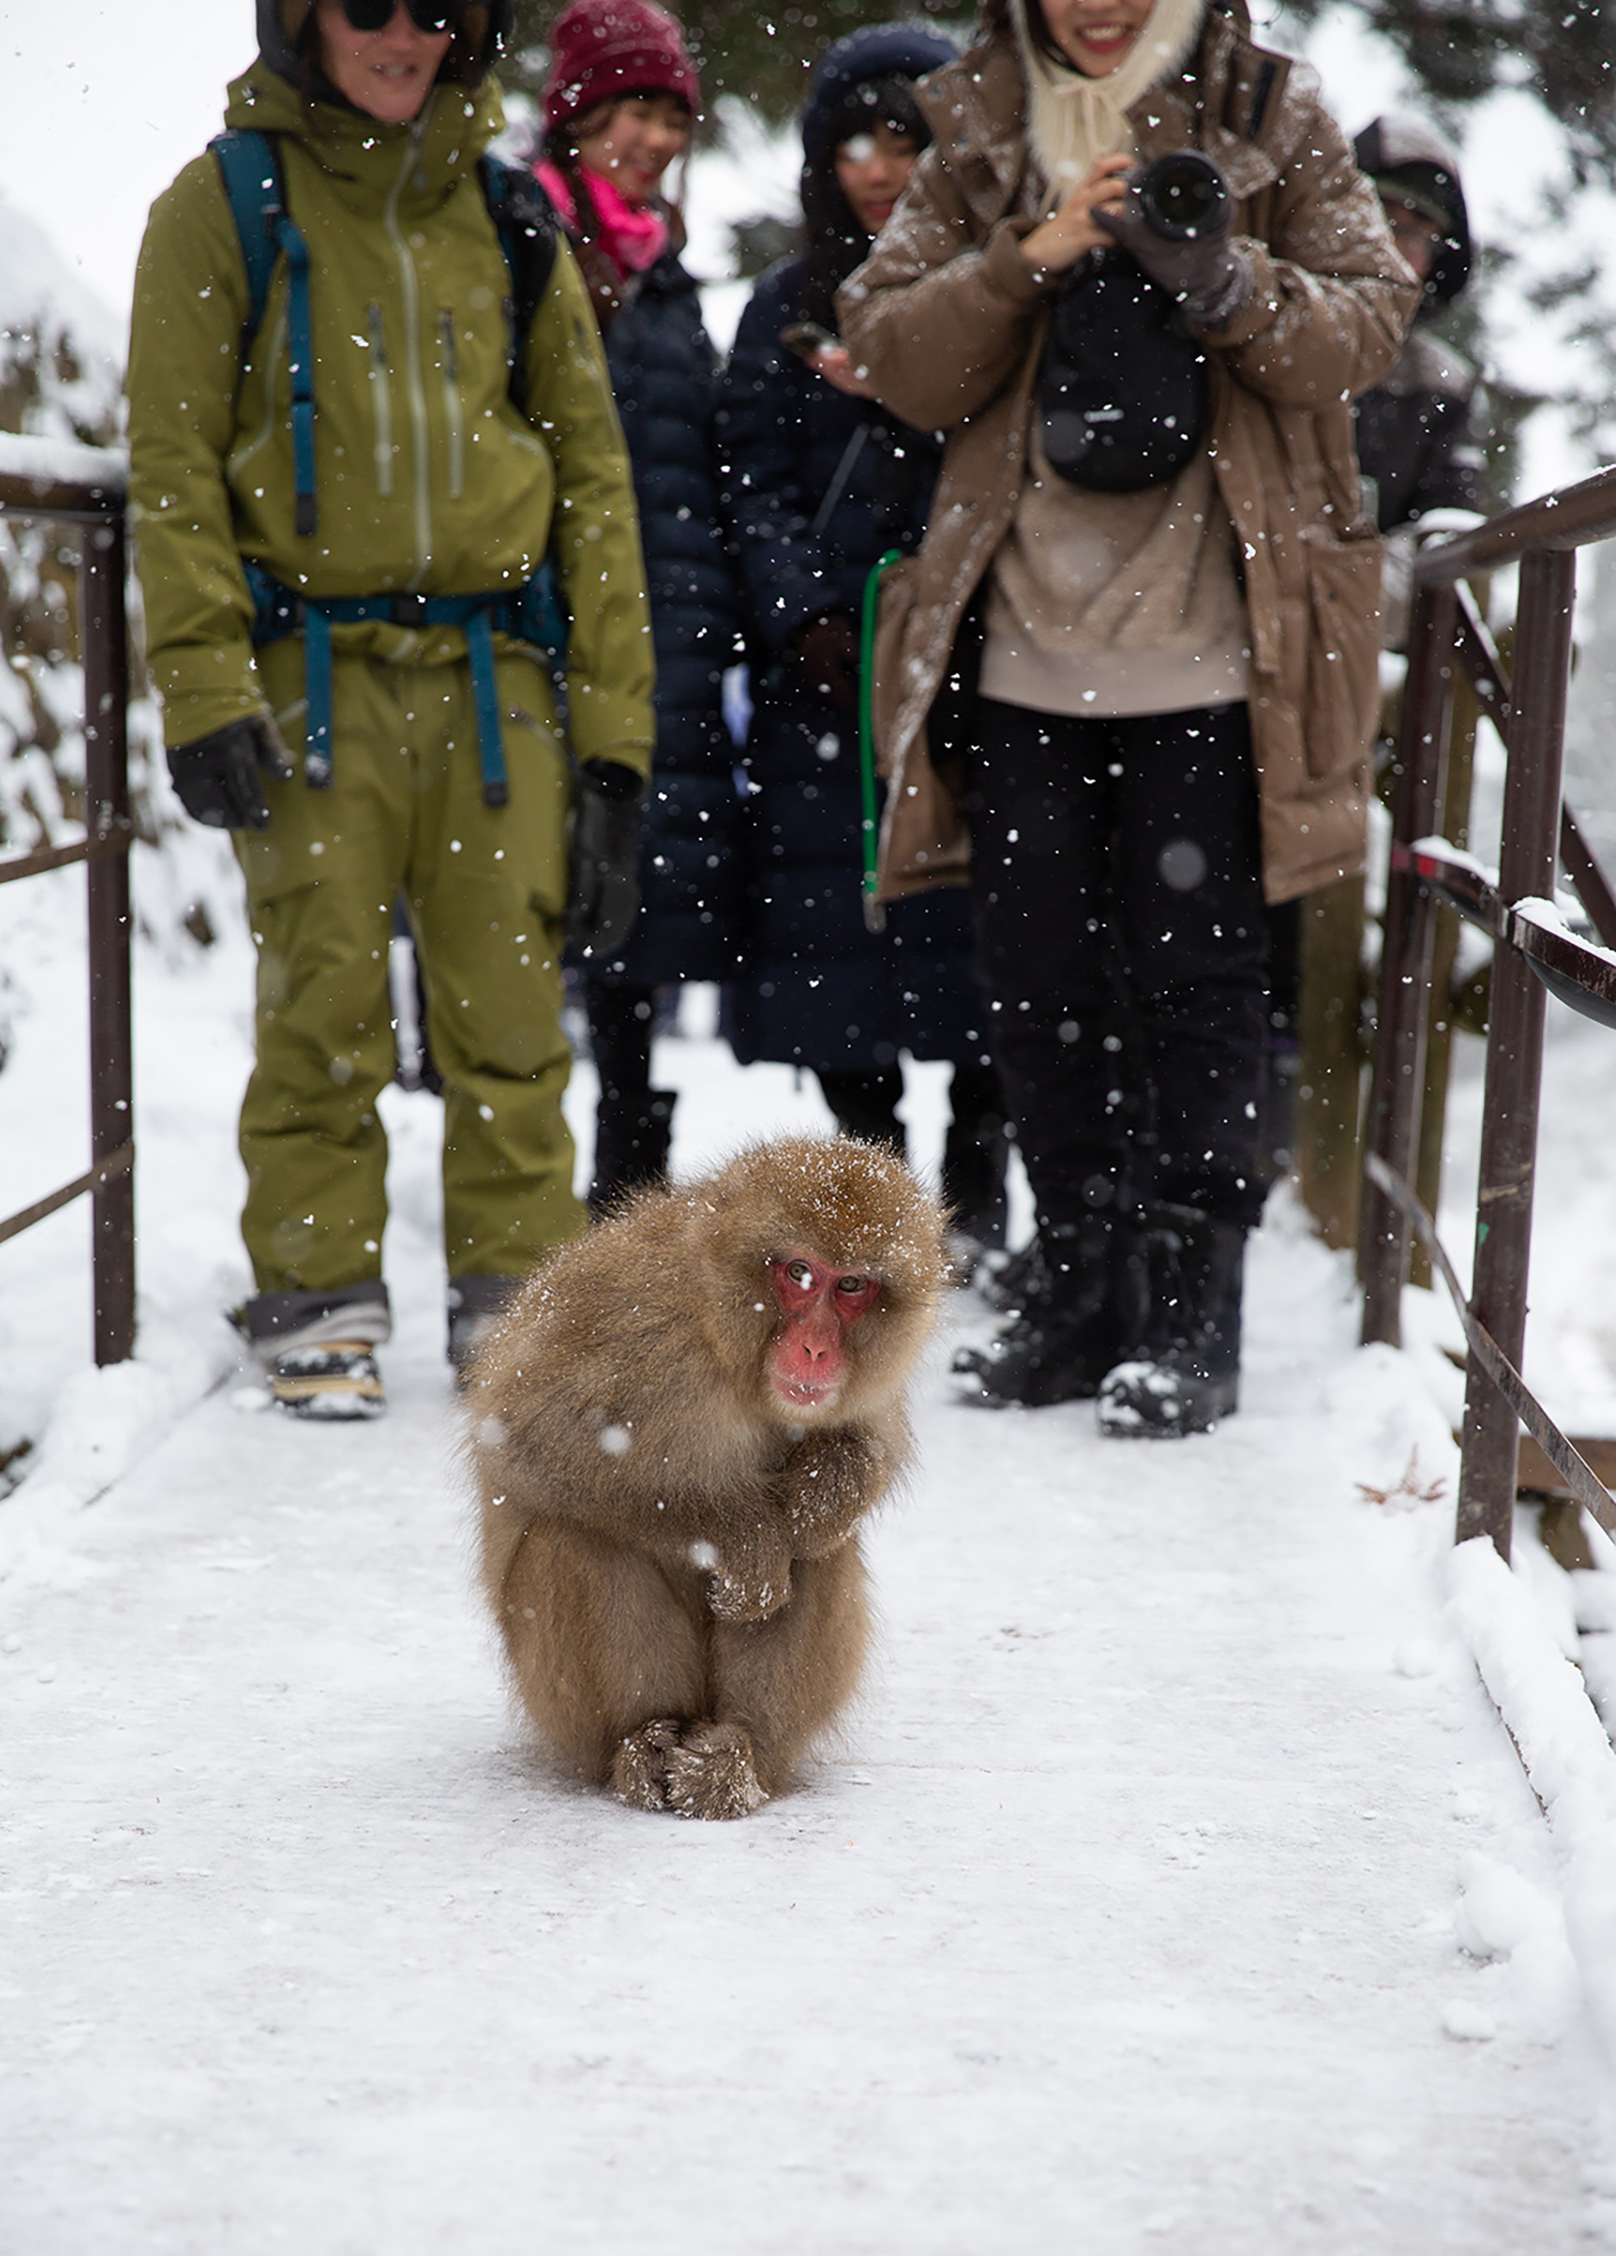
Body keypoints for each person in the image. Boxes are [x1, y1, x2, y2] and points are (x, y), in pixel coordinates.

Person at [838, 0, 1418, 1433]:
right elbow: (893, 353)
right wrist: (1027, 258)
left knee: (1198, 986)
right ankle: (1079, 1283)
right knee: (1033, 979)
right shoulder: (974, 115)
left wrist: (1222, 276)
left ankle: (1194, 1305)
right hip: (1022, 639)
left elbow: (1366, 327)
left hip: (1222, 651)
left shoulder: (1273, 107)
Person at [128, 0, 654, 1417]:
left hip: (499, 686)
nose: (403, 35)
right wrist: (203, 682)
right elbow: (172, 464)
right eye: (369, 4)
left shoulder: (507, 215)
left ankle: (519, 1301)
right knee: (323, 1004)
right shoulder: (224, 204)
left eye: (439, 10)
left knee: (512, 1019)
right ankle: (318, 1293)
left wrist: (615, 746)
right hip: (311, 675)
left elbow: (594, 486)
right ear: (302, 15)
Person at [716, 24, 1009, 1263]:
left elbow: (1005, 469)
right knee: (841, 964)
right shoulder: (785, 306)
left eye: (905, 137)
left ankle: (981, 1200)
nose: (878, 167)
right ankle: (877, 1208)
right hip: (822, 686)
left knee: (986, 944)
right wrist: (804, 614)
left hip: (968, 668)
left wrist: (956, 614)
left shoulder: (990, 288)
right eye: (853, 140)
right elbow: (748, 479)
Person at [535, 0, 743, 1207]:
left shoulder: (665, 280)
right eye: (634, 109)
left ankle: (624, 1189)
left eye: (672, 113)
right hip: (539, 631)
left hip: (662, 636)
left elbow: (694, 467)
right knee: (521, 908)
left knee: (636, 920)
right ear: (578, 113)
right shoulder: (523, 243)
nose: (656, 135)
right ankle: (514, 1191)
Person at [1353, 115, 1487, 640]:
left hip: (1365, 644)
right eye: (1380, 215)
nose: (1394, 243)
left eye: (1417, 229)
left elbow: (1447, 535)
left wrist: (1343, 588)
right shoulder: (1261, 329)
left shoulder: (1443, 385)